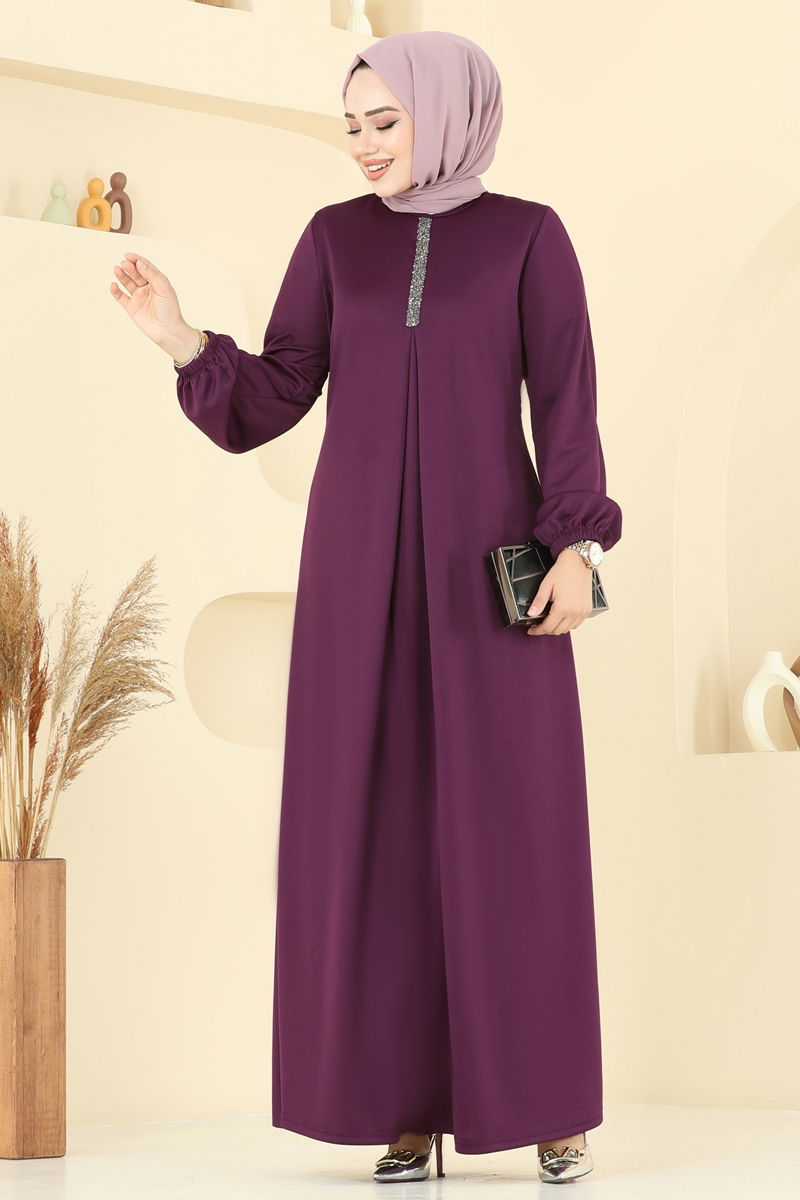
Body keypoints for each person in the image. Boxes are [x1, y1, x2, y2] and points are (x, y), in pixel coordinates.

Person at [109, 30, 622, 1186]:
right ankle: (404, 1104)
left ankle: (546, 1103)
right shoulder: (333, 239)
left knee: (516, 829)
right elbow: (276, 392)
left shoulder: (528, 237)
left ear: (448, 113)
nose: (363, 144)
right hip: (356, 574)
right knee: (374, 829)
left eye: (383, 121)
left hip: (489, 571)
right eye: (350, 125)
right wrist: (181, 339)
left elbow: (567, 404)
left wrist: (575, 545)